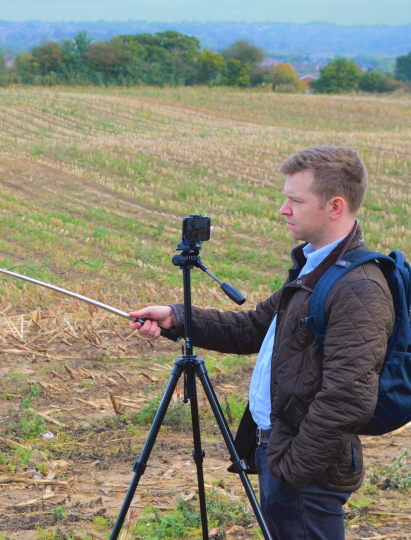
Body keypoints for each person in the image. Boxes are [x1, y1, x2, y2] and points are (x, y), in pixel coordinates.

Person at [130, 146, 395, 540]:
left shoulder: (357, 287)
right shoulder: (315, 270)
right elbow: (252, 328)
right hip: (285, 451)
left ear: (335, 206)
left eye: (294, 200)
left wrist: (290, 468)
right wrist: (178, 318)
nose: (283, 210)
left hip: (306, 468)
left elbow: (349, 397)